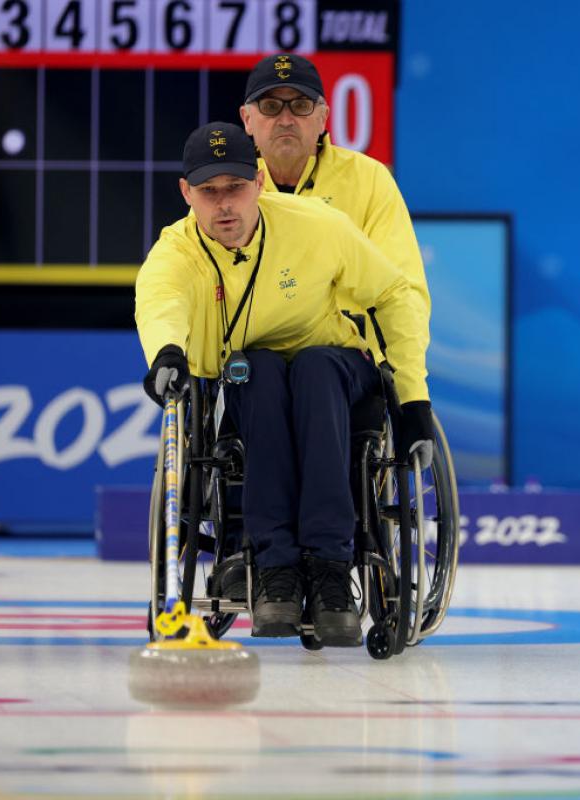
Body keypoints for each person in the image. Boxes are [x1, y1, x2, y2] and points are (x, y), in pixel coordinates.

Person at [135, 121, 434, 647]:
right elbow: (162, 302)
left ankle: (330, 568)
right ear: (187, 194)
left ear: (259, 181)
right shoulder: (176, 250)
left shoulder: (317, 225)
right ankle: (274, 568)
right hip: (252, 379)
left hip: (338, 372)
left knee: (314, 366)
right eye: (209, 192)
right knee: (257, 368)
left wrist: (412, 397)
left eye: (235, 188)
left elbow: (392, 292)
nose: (224, 205)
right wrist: (167, 354)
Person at [238, 53, 429, 361]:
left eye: (300, 106)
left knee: (318, 365)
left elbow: (404, 289)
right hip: (257, 353)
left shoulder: (369, 179)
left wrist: (397, 370)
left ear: (323, 117)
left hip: (346, 355)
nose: (285, 119)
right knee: (259, 369)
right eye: (271, 107)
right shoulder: (229, 190)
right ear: (248, 119)